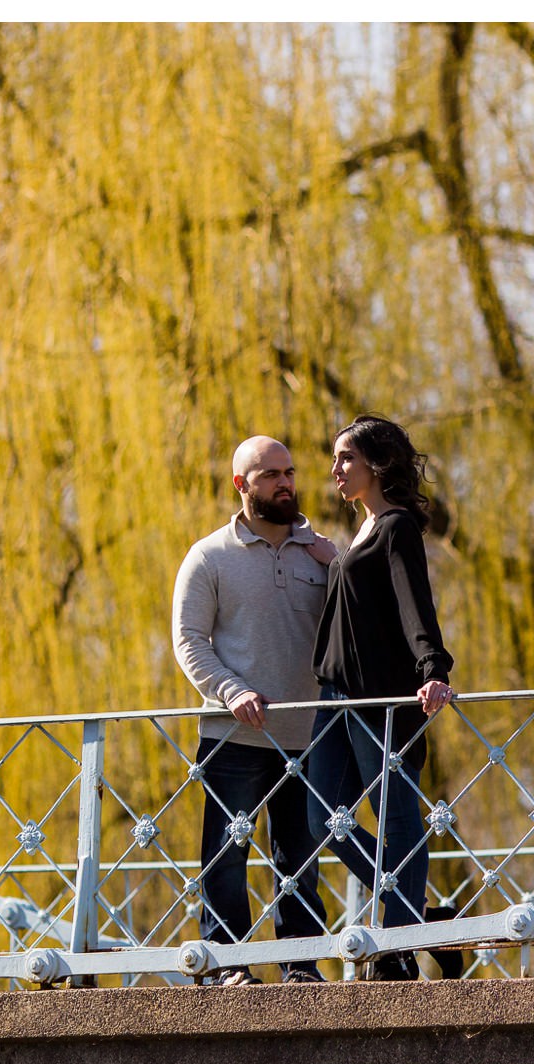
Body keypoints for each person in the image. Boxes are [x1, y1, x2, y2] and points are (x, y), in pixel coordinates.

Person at [172, 435, 337, 986]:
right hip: (233, 736)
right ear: (241, 485)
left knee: (301, 858)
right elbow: (189, 639)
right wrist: (230, 690)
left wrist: (337, 563)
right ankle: (223, 966)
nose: (285, 482)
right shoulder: (208, 556)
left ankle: (302, 966)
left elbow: (353, 625)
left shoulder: (321, 553)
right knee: (226, 856)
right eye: (270, 475)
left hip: (310, 735)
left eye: (289, 472)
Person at [309, 414, 458, 981]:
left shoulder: (396, 528)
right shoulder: (361, 534)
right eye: (334, 458)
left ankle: (396, 948)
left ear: (377, 462)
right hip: (333, 697)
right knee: (326, 817)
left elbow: (413, 604)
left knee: (397, 815)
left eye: (346, 457)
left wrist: (432, 667)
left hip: (381, 696)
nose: (336, 469)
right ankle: (420, 917)